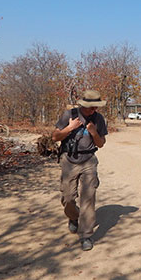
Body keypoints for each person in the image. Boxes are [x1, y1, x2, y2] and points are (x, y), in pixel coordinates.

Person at [52, 90, 108, 251]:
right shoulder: (69, 115)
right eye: (91, 107)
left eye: (96, 107)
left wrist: (93, 132)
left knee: (88, 197)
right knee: (68, 196)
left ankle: (86, 235)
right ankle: (73, 216)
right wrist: (70, 127)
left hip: (89, 160)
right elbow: (55, 137)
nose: (94, 110)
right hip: (69, 160)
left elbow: (101, 143)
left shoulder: (98, 119)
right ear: (83, 105)